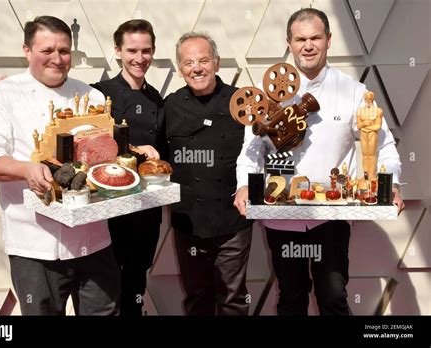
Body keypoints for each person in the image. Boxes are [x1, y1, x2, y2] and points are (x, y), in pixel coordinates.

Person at [234, 8, 405, 316]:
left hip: (332, 217)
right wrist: (245, 185)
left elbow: (383, 144)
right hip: (281, 216)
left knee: (334, 298)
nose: (308, 46)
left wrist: (389, 184)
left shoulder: (352, 91)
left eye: (315, 38)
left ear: (329, 40)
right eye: (300, 39)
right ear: (289, 42)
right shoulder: (270, 94)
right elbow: (252, 149)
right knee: (291, 297)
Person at [0, 16, 120, 315]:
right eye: (47, 50)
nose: (57, 59)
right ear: (27, 50)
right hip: (34, 245)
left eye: (64, 51)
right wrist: (26, 170)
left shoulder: (93, 96)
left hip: (94, 239)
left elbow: (106, 156)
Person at [164, 32, 253, 315]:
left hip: (232, 221)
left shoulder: (241, 102)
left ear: (216, 62)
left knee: (233, 299)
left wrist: (249, 185)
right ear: (180, 69)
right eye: (188, 62)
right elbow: (157, 158)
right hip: (188, 221)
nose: (197, 68)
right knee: (196, 297)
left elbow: (258, 152)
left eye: (203, 60)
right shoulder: (171, 105)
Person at [91, 19, 164, 316]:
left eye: (146, 50)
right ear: (117, 50)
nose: (139, 58)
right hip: (108, 210)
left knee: (136, 281)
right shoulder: (98, 93)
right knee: (105, 288)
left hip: (146, 211)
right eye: (132, 50)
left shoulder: (156, 98)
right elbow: (87, 142)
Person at [357, 91, 383, 179]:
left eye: (370, 99)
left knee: (372, 155)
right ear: (364, 99)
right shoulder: (360, 111)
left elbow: (378, 126)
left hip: (372, 134)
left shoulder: (378, 111)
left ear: (373, 99)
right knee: (365, 155)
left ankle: (372, 175)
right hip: (363, 134)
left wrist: (368, 128)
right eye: (366, 99)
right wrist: (365, 123)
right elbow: (358, 125)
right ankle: (366, 176)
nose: (368, 101)